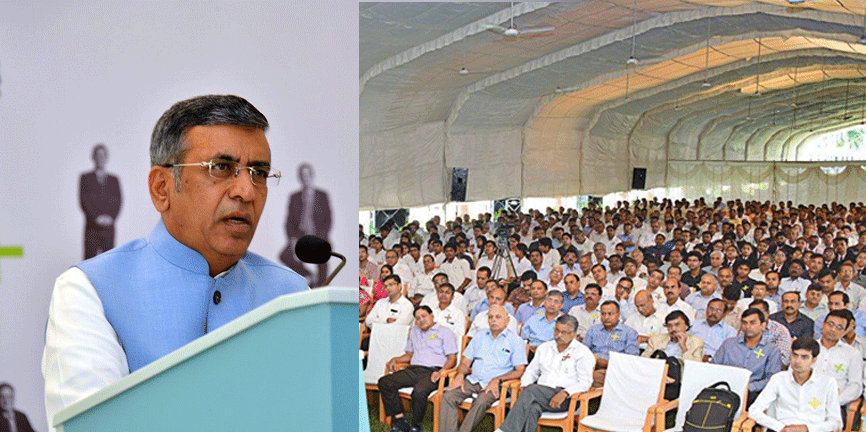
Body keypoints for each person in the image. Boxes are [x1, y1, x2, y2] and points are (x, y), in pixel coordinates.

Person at [43, 95, 309, 427]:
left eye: (259, 172)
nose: (247, 191)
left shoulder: (292, 296)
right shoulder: (90, 292)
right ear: (161, 188)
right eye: (221, 167)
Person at [493, 315, 595, 432]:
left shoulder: (582, 353)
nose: (558, 335)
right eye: (556, 330)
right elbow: (531, 371)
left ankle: (505, 430)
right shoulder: (544, 348)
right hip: (540, 394)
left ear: (574, 334)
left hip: (566, 399)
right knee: (532, 408)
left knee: (530, 391)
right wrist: (524, 385)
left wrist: (565, 392)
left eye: (564, 332)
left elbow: (585, 382)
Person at [440, 305, 527, 432]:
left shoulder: (515, 341)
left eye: (498, 317)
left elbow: (520, 370)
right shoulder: (479, 336)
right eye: (490, 317)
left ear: (507, 320)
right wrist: (460, 375)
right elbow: (465, 362)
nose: (493, 320)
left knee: (480, 402)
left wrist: (497, 379)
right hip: (473, 380)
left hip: (495, 385)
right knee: (448, 397)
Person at [379, 306, 458, 432]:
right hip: (414, 370)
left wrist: (441, 371)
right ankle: (400, 421)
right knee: (385, 382)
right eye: (418, 318)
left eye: (424, 316)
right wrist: (396, 359)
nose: (421, 320)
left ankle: (415, 425)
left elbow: (452, 358)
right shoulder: (414, 331)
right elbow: (409, 354)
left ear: (432, 316)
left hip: (434, 371)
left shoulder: (445, 332)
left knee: (419, 391)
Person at [748, 338, 842, 432]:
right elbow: (754, 410)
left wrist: (807, 428)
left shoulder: (827, 382)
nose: (797, 361)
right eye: (795, 355)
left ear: (814, 360)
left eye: (804, 357)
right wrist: (780, 427)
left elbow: (836, 422)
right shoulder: (778, 379)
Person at [713, 307, 783, 407]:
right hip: (725, 390)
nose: (748, 326)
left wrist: (750, 387)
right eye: (744, 323)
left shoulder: (771, 350)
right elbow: (714, 366)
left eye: (752, 323)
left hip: (754, 394)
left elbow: (772, 378)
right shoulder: (729, 344)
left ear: (763, 325)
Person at [280, 162, 332, 287]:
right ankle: (308, 275)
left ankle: (322, 286)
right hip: (300, 236)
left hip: (318, 235)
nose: (305, 179)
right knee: (284, 256)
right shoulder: (294, 197)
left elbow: (328, 219)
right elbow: (289, 222)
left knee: (323, 259)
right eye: (302, 176)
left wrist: (320, 237)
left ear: (312, 176)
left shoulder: (322, 195)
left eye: (307, 175)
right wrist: (292, 239)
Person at [79, 143, 122, 259]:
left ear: (106, 157)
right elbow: (84, 201)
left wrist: (110, 218)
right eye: (98, 155)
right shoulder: (85, 178)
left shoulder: (114, 180)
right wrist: (96, 218)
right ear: (93, 157)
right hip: (91, 229)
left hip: (108, 229)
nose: (100, 158)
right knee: (89, 264)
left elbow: (118, 202)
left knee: (108, 263)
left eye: (103, 155)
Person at [814, 310, 863, 413]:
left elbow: (855, 386)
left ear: (844, 332)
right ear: (822, 324)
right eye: (830, 324)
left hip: (834, 407)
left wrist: (834, 401)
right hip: (803, 402)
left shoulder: (852, 354)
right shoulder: (808, 348)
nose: (833, 329)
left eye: (839, 327)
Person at [584, 300, 639, 387]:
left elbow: (631, 359)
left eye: (610, 314)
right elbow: (583, 351)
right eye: (603, 314)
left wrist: (606, 363)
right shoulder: (593, 330)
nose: (606, 317)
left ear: (618, 314)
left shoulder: (629, 333)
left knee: (594, 376)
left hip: (614, 370)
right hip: (590, 365)